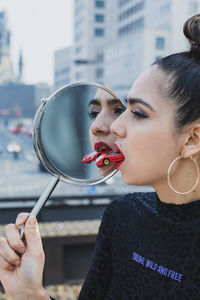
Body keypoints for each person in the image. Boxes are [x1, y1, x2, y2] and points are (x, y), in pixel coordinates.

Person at [1, 13, 200, 299]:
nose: (112, 128)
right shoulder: (123, 217)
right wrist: (29, 293)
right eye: (95, 113)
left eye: (138, 114)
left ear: (192, 139)